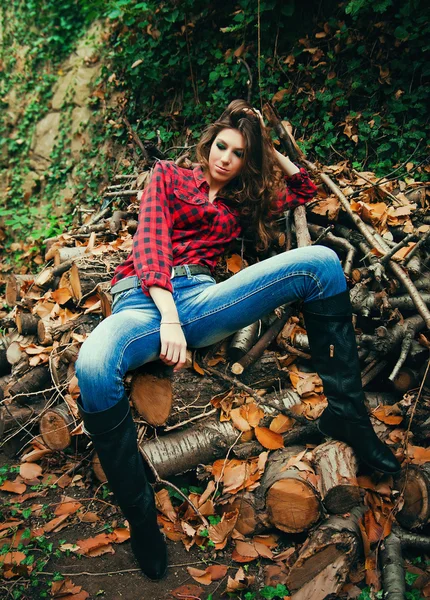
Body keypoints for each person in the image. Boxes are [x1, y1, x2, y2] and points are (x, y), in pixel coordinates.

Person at [76, 99, 400, 580]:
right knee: (94, 366)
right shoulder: (168, 175)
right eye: (222, 146)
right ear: (209, 144)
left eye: (240, 153)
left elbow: (303, 186)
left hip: (207, 300)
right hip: (145, 300)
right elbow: (150, 242)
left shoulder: (241, 202)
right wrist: (167, 317)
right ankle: (141, 518)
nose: (226, 158)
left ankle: (349, 417)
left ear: (249, 161)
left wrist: (266, 141)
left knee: (322, 264)